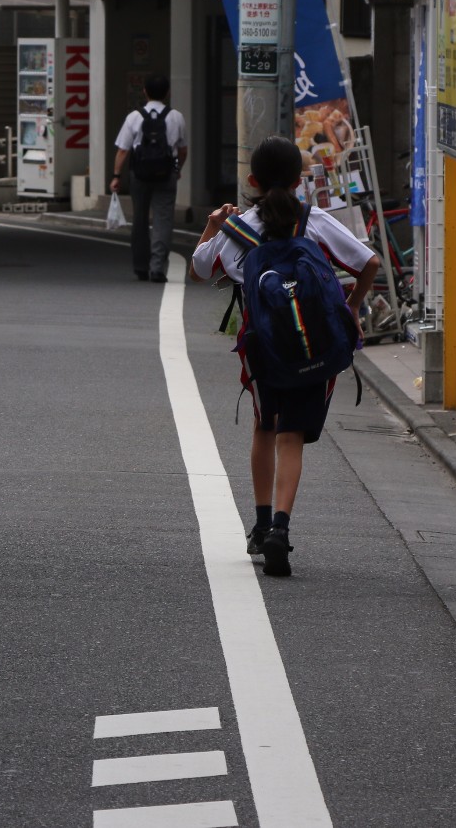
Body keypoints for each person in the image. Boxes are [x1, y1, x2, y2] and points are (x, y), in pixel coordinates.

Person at [189, 136, 380, 577]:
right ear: (299, 181)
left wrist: (214, 224)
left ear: (251, 180)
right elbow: (367, 262)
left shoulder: (237, 229)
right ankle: (280, 528)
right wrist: (351, 308)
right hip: (314, 343)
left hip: (262, 347)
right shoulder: (314, 221)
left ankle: (258, 524)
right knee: (292, 435)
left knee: (265, 426)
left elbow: (200, 268)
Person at [110, 74, 186, 282]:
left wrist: (116, 175)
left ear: (145, 91)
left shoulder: (134, 117)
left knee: (140, 219)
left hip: (139, 175)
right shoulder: (176, 116)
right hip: (166, 174)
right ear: (167, 93)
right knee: (163, 219)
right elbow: (182, 149)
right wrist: (177, 169)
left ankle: (140, 266)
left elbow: (123, 150)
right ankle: (157, 267)